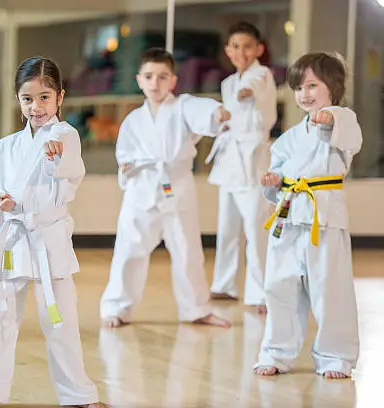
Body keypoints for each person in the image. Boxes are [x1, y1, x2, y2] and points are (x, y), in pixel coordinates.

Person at [0, 57, 106, 408]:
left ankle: (78, 395)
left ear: (60, 97)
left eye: (44, 98)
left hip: (48, 238)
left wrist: (54, 157)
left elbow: (69, 165)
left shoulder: (65, 135)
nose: (35, 107)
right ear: (18, 100)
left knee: (60, 318)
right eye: (27, 99)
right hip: (12, 237)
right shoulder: (5, 147)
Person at [99, 48, 231, 329]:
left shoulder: (182, 106)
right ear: (139, 80)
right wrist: (127, 167)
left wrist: (217, 113)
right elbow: (124, 153)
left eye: (162, 77)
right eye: (149, 76)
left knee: (187, 250)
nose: (155, 83)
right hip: (141, 188)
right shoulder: (134, 120)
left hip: (177, 185)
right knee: (128, 250)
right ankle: (117, 308)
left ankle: (196, 309)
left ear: (173, 80)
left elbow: (201, 109)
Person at [254, 52, 361, 379]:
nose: (305, 94)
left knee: (331, 289)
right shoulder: (287, 139)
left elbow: (351, 138)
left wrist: (331, 119)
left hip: (324, 218)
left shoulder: (343, 120)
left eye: (313, 85)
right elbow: (276, 176)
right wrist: (272, 183)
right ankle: (275, 352)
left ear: (334, 87)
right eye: (299, 87)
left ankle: (335, 356)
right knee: (278, 287)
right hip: (288, 217)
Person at [207, 22, 277, 313]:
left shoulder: (261, 74)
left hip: (254, 158)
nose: (241, 52)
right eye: (235, 46)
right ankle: (224, 286)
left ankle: (261, 293)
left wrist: (245, 92)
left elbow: (252, 89)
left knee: (256, 227)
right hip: (230, 161)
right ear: (227, 50)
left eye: (247, 46)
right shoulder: (227, 82)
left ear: (259, 49)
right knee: (227, 228)